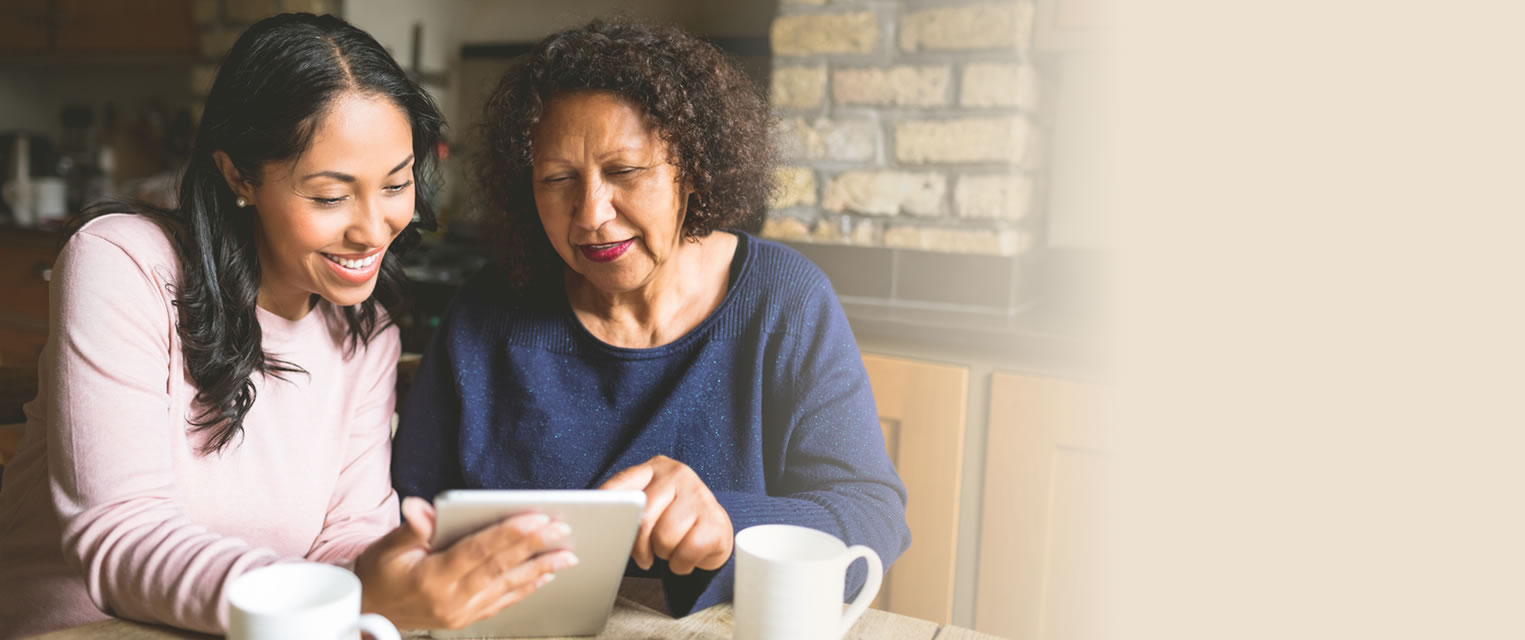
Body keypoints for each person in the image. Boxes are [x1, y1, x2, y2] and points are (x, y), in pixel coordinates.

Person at [0, 14, 576, 638]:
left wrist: (390, 571)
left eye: (397, 184)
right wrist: (340, 598)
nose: (373, 227)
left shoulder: (366, 330)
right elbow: (122, 535)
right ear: (239, 175)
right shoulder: (123, 263)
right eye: (330, 196)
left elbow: (347, 533)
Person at [391, 19, 910, 616]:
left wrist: (728, 521)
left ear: (692, 168)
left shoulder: (783, 301)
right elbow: (407, 514)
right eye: (558, 180)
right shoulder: (486, 314)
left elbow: (871, 513)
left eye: (625, 172)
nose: (591, 214)